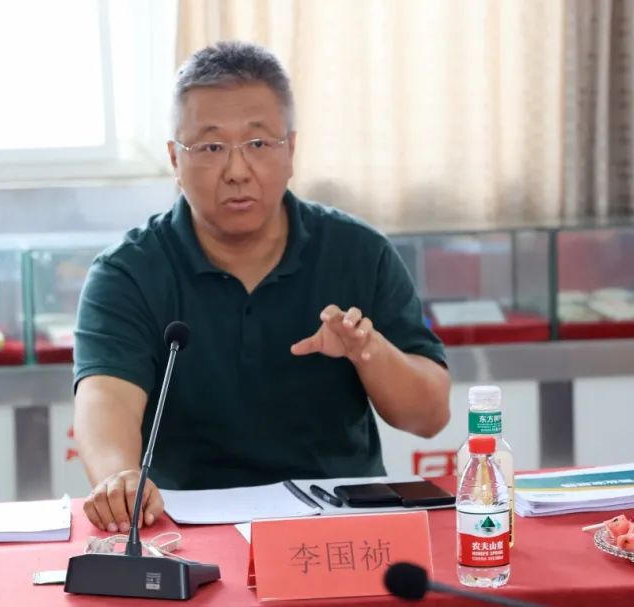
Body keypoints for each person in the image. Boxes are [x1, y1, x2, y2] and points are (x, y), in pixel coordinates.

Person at [72, 41, 451, 534]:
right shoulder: (128, 273)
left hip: (340, 527)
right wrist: (120, 479)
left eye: (257, 143)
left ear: (290, 150)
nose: (237, 171)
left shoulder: (359, 253)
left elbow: (429, 417)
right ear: (174, 159)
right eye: (211, 147)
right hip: (188, 526)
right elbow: (107, 400)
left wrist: (368, 351)